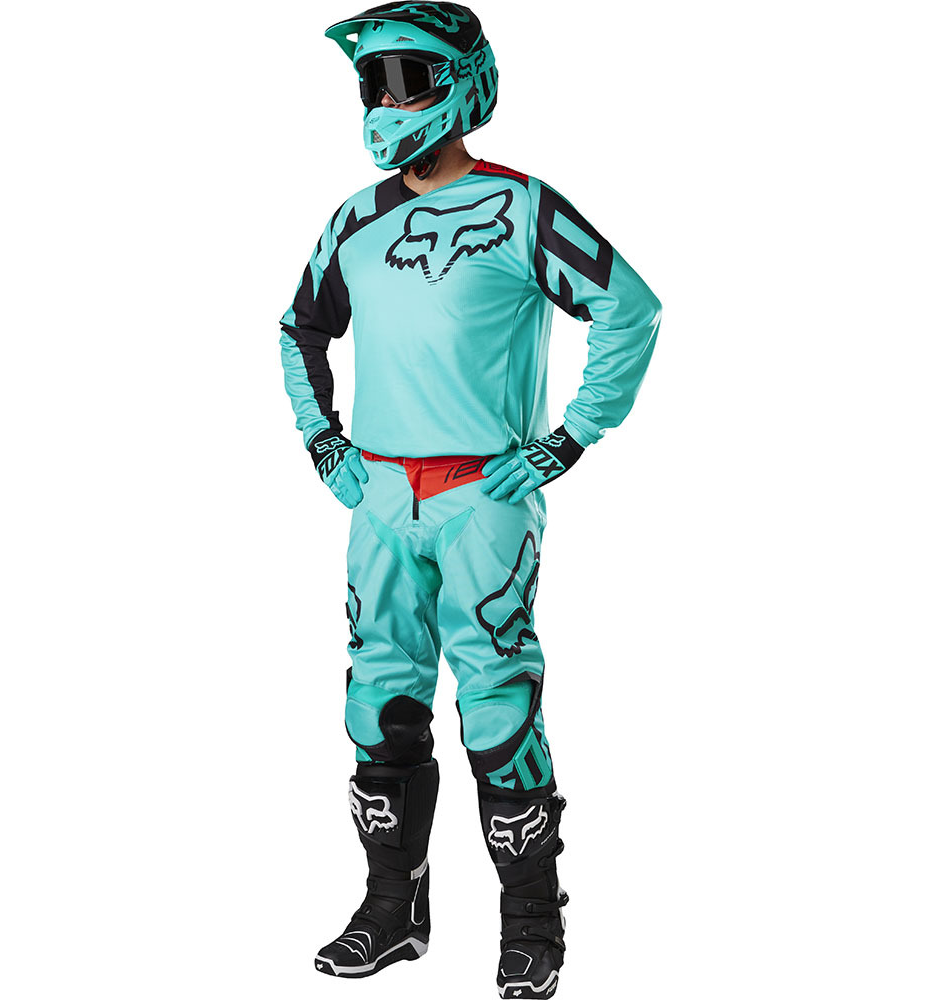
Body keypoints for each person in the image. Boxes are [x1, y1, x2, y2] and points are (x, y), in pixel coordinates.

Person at [279, 4, 661, 996]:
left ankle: (532, 923)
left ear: (463, 85)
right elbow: (297, 328)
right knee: (377, 701)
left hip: (484, 494)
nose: (387, 100)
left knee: (497, 700)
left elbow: (629, 307)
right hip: (378, 495)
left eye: (408, 78)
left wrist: (572, 437)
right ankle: (391, 912)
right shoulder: (353, 220)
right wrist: (323, 441)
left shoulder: (524, 208)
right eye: (373, 82)